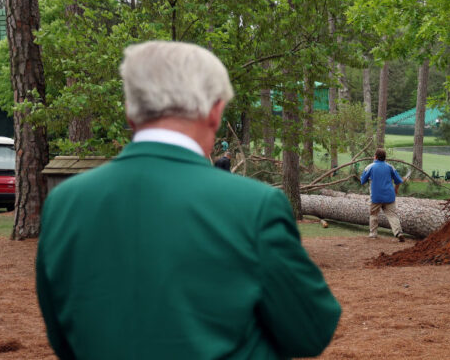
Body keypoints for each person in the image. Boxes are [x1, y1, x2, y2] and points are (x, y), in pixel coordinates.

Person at [36, 41, 341, 359]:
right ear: (214, 110)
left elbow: (62, 337)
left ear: (130, 111)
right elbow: (311, 331)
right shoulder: (254, 206)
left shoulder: (64, 203)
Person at [360, 148, 405, 242]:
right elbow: (398, 181)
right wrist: (396, 190)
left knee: (373, 215)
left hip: (376, 197)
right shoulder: (390, 167)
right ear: (385, 157)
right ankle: (398, 232)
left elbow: (362, 181)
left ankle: (373, 234)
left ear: (375, 157)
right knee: (392, 215)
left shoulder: (370, 167)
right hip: (389, 196)